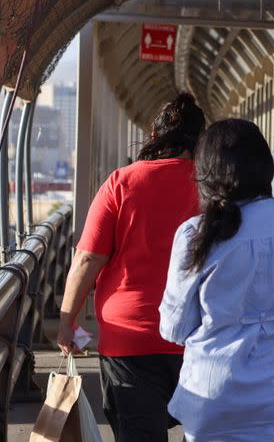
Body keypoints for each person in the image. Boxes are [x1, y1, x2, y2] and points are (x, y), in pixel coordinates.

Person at [159, 118, 274, 442]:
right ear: (265, 166)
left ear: (205, 172)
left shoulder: (194, 234)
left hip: (213, 398)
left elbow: (174, 328)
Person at [56, 93, 206, 441]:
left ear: (154, 137)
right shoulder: (214, 187)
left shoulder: (122, 182)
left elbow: (87, 258)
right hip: (200, 334)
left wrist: (67, 320)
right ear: (201, 140)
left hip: (130, 338)